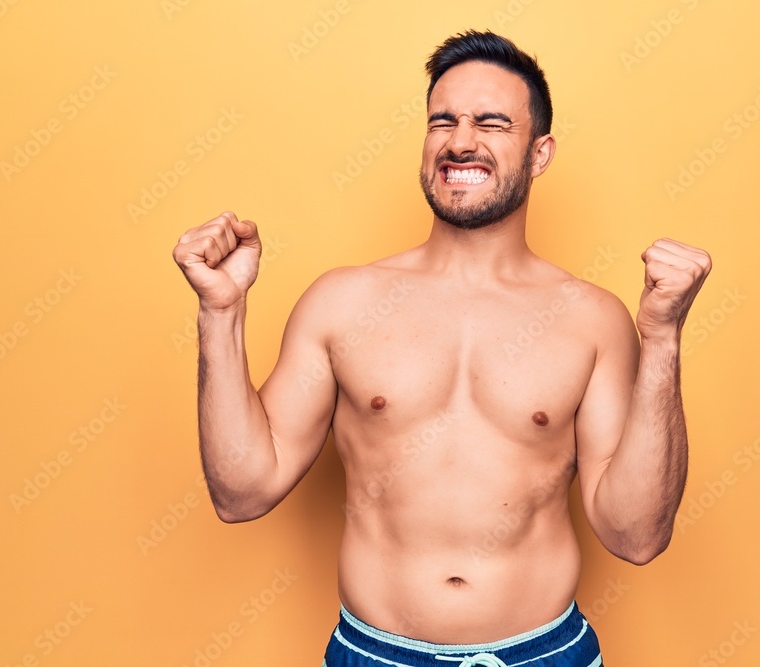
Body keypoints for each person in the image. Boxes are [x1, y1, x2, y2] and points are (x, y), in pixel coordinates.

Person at [172, 29, 711, 667]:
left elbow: (636, 535)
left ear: (540, 154)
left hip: (544, 654)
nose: (460, 141)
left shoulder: (592, 319)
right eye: (442, 122)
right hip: (374, 653)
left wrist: (663, 337)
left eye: (491, 123)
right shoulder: (342, 302)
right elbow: (242, 491)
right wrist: (220, 311)